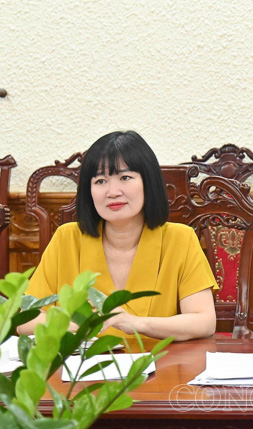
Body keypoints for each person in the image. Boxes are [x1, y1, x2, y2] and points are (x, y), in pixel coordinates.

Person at [20, 131, 218, 341]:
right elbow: (26, 321)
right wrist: (83, 325)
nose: (112, 192)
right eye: (100, 181)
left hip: (156, 359)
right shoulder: (66, 238)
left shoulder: (180, 239)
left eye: (125, 178)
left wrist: (136, 323)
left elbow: (204, 322)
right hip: (84, 360)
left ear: (148, 183)